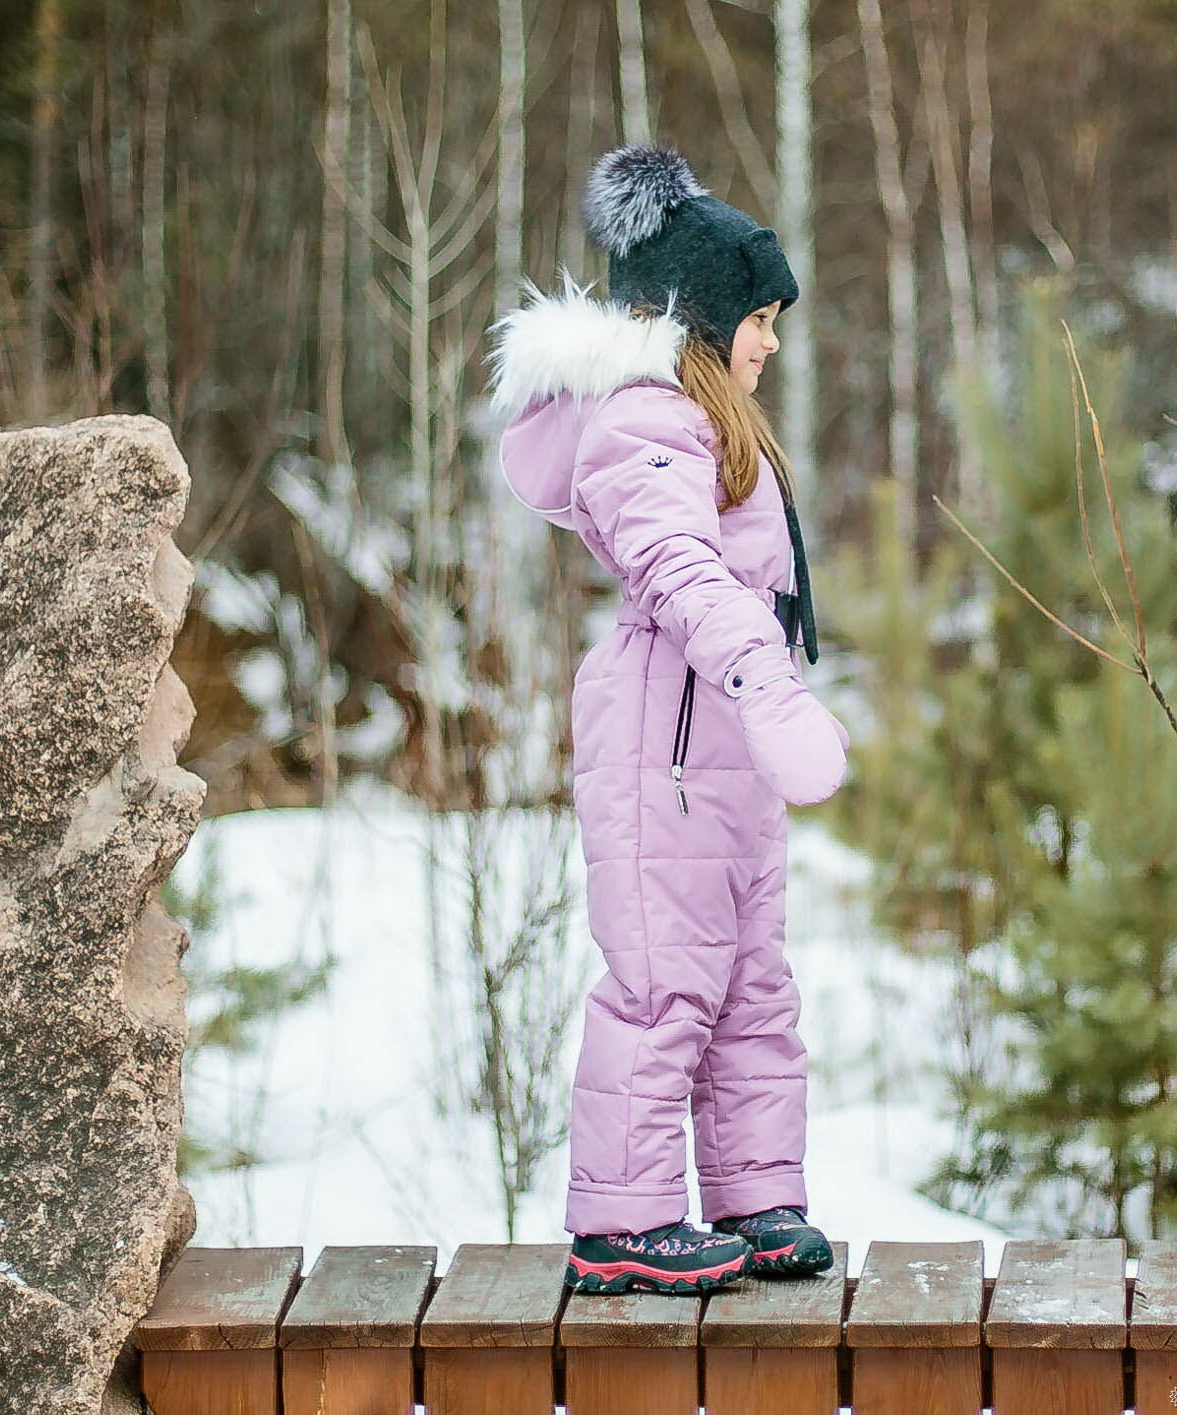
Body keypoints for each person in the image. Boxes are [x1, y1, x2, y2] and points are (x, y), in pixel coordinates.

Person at [486, 144, 850, 1295]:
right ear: (699, 314)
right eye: (758, 317)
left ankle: (754, 1191)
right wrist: (768, 685)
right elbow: (683, 571)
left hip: (723, 753)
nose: (770, 340)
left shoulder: (710, 419)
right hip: (670, 738)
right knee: (664, 977)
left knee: (750, 980)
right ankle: (625, 1217)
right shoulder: (646, 421)